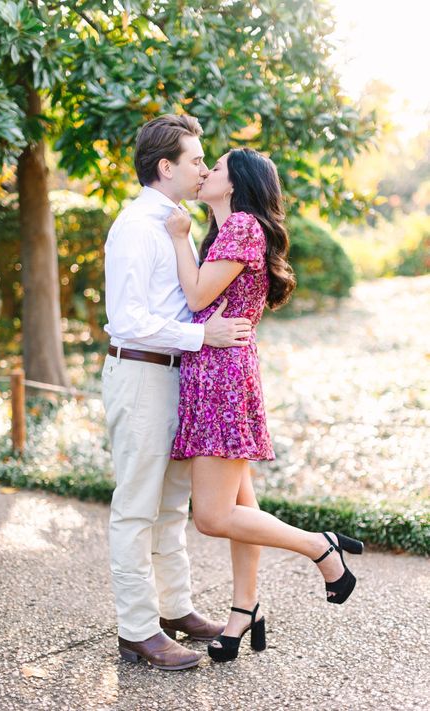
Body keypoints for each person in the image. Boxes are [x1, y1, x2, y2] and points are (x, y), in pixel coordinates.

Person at [165, 147, 364, 663]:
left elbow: (195, 296)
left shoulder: (241, 229)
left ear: (237, 183)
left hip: (223, 379)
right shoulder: (231, 231)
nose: (207, 173)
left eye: (219, 167)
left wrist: (179, 239)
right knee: (242, 506)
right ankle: (245, 609)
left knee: (211, 516)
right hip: (218, 373)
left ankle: (320, 546)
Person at [101, 115, 254, 671]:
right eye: (195, 160)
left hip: (177, 377)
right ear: (165, 167)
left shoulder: (178, 225)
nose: (202, 168)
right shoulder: (136, 227)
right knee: (137, 507)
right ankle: (138, 630)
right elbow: (128, 318)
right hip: (141, 373)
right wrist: (201, 335)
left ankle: (176, 609)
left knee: (170, 507)